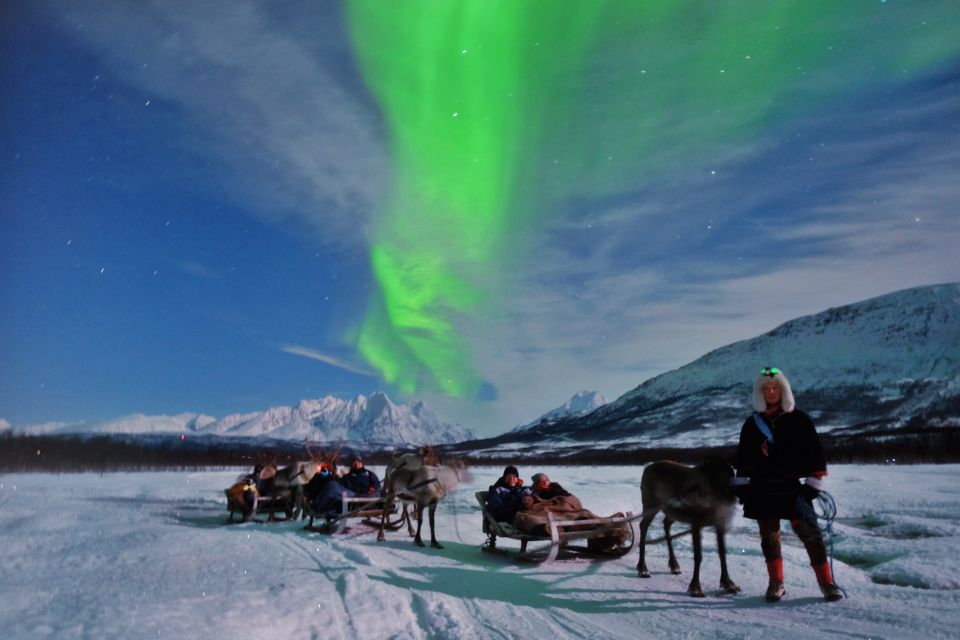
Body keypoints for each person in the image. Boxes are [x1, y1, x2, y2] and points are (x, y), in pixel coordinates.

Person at [734, 366, 843, 602]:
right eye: (766, 389)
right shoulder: (751, 424)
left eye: (775, 388)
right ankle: (776, 584)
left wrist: (813, 484)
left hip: (792, 488)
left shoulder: (799, 419)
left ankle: (827, 584)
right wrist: (742, 485)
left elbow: (815, 452)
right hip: (762, 489)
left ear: (783, 391)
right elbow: (742, 458)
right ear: (759, 393)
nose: (771, 392)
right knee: (769, 538)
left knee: (811, 535)